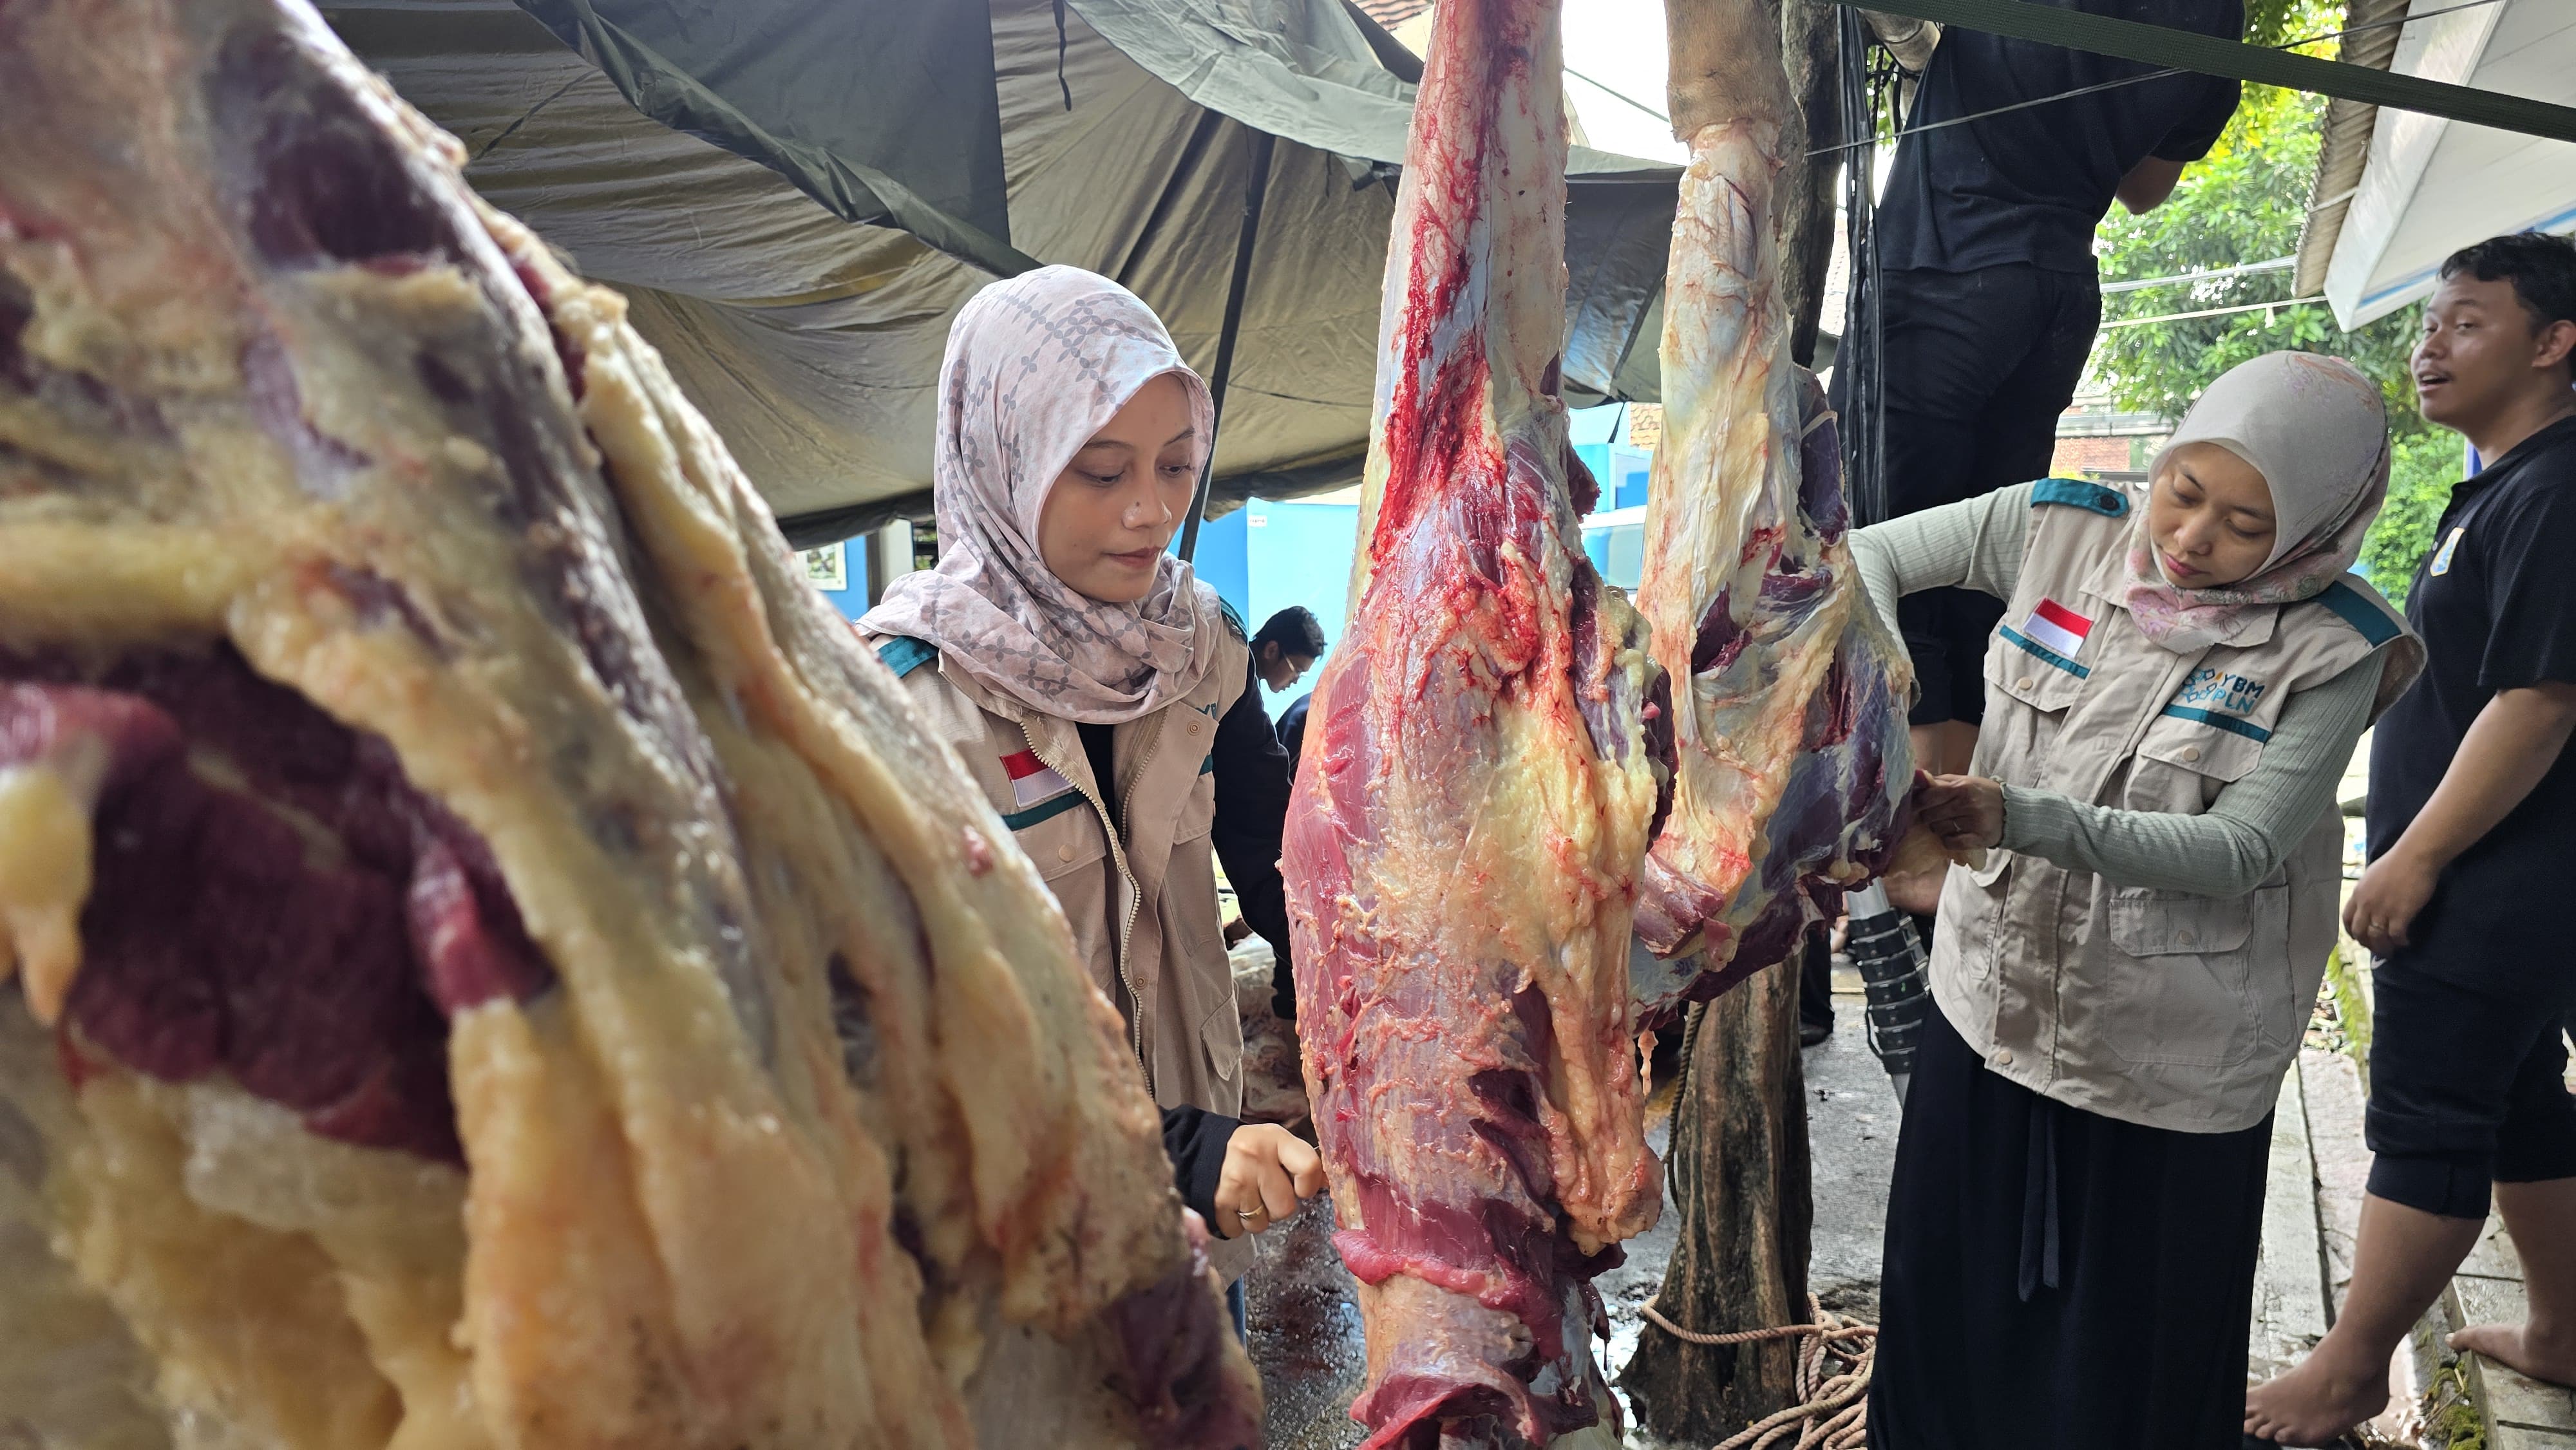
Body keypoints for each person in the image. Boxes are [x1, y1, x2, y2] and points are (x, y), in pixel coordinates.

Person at [1854, 352, 2423, 1450]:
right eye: (2184, 490)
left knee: (2124, 1354)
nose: (2193, 538)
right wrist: (1885, 694)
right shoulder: (2057, 526)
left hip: (2165, 1061)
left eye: (2246, 525)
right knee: (1946, 1310)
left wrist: (2017, 817)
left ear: (2316, 527)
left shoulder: (2339, 647)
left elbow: (2242, 849)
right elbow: (1869, 555)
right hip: (1990, 1006)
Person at [857, 266, 1324, 1304]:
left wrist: (1377, 995)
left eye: (1177, 465)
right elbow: (904, 1045)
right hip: (1023, 1244)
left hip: (1209, 1211)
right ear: (1005, 462)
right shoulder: (899, 705)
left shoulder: (1202, 651)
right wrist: (1167, 1152)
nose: (1151, 511)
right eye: (1103, 471)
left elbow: (1272, 856)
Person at [2246, 233, 2576, 1447]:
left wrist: (2418, 856)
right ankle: (2564, 1332)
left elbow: (2540, 701)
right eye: (2430, 322)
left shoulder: (2555, 490)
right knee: (2519, 1098)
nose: (2430, 346)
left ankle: (2349, 1372)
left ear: (2554, 343)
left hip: (2497, 877)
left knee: (2429, 1112)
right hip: (2510, 875)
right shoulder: (2511, 483)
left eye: (2467, 323)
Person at [1842, 0, 2245, 923]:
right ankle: (1956, 833)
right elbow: (2146, 187)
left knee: (1891, 542)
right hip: (2055, 292)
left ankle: (1912, 846)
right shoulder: (2216, 15)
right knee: (1976, 560)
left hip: (1945, 271)